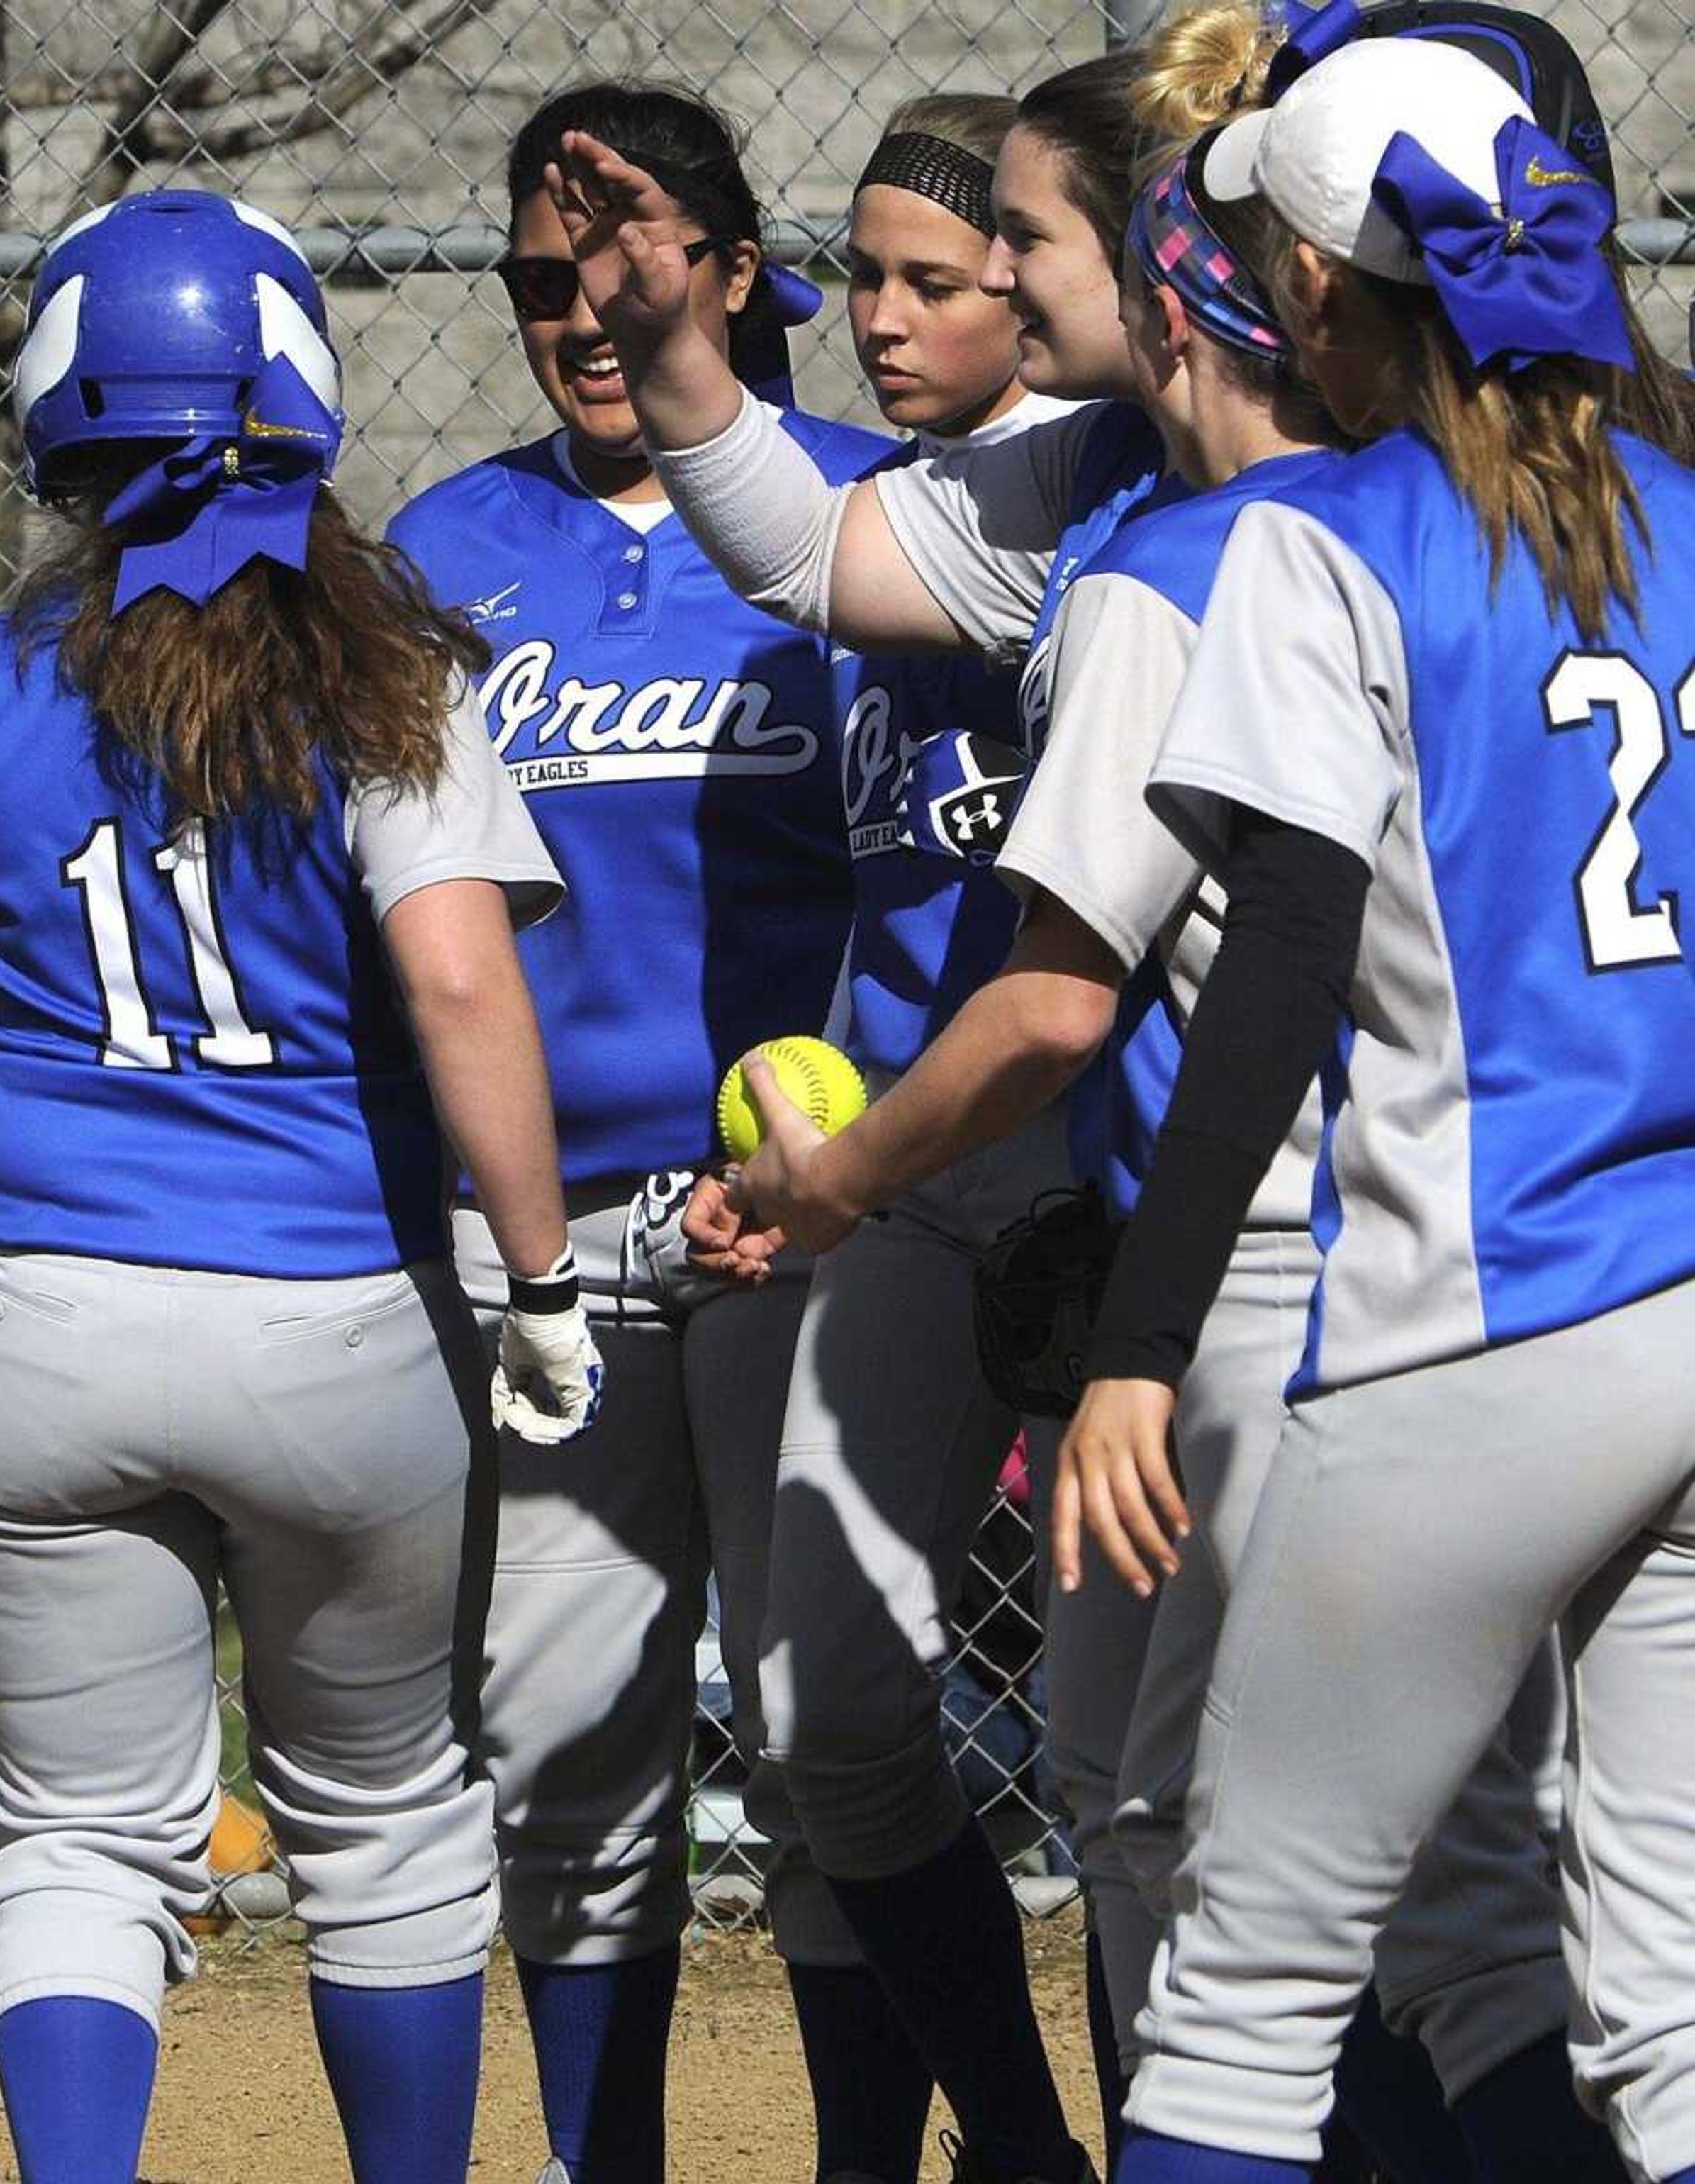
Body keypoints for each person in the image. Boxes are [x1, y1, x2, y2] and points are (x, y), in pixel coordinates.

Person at [725, 15, 1607, 2175]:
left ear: (1206, 285)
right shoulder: (1539, 521)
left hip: (1297, 1287)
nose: (1004, 294)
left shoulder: (1188, 569)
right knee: (1529, 1898)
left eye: (1029, 242)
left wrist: (859, 1188)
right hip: (1564, 1255)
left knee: (1211, 1872)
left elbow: (1075, 1006)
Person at [0, 188, 591, 2184]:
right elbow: (465, 979)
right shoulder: (392, 686)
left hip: (43, 1323)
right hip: (334, 1319)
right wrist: (549, 1280)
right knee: (384, 1808)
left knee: (80, 1832)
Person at [1042, 35, 1695, 2183]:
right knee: (1673, 2007)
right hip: (1691, 1303)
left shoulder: (1314, 538)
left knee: (1241, 1991)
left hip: (1475, 1336)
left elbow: (1282, 977)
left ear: (1315, 292)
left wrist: (1137, 1348)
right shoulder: (1689, 507)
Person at [388, 75, 1051, 2184]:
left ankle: (891, 2160)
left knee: (812, 1722)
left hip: (806, 1208)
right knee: (565, 1754)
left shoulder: (861, 511)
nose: (581, 314)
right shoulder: (447, 551)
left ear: (726, 276)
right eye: (536, 283)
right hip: (550, 1227)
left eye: (619, 271)